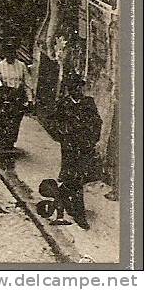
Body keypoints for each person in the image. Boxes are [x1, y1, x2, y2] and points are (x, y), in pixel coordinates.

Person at [53, 74, 102, 230]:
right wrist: (63, 133)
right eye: (74, 88)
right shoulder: (64, 104)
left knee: (76, 178)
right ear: (69, 89)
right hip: (69, 147)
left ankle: (65, 199)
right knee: (75, 178)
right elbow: (55, 122)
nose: (78, 90)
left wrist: (92, 139)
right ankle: (78, 214)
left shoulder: (89, 103)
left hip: (85, 147)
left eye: (80, 87)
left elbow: (97, 122)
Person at [0, 40, 34, 155]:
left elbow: (27, 83)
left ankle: (9, 144)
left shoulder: (21, 66)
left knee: (14, 121)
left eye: (12, 52)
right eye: (8, 53)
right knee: (1, 120)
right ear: (4, 53)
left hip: (17, 96)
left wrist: (29, 100)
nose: (10, 55)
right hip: (4, 95)